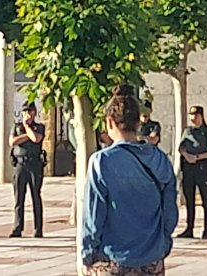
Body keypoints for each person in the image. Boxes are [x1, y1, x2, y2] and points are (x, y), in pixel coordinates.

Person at [81, 85, 178, 276]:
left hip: (112, 258)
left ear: (110, 122)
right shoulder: (159, 159)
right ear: (138, 122)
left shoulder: (101, 162)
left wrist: (88, 254)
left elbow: (93, 216)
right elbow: (170, 211)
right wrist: (163, 243)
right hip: (151, 258)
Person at [177, 106, 207, 240]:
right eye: (191, 115)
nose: (193, 117)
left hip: (202, 168)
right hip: (188, 168)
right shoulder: (188, 131)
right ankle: (189, 228)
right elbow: (181, 147)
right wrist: (186, 155)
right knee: (189, 199)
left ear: (201, 116)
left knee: (205, 199)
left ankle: (206, 229)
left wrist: (197, 157)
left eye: (195, 115)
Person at [9, 101, 45, 238]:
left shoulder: (39, 127)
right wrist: (26, 134)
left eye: (29, 112)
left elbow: (36, 139)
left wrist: (27, 128)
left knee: (36, 196)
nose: (27, 115)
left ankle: (38, 229)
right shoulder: (16, 127)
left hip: (34, 164)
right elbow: (12, 142)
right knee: (19, 198)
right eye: (25, 112)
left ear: (34, 112)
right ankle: (17, 227)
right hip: (20, 165)